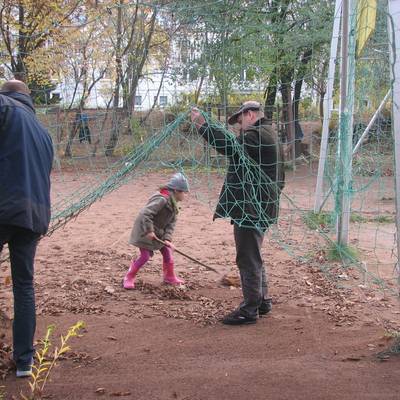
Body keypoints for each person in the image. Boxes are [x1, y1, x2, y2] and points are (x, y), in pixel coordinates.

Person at [191, 101, 285, 325]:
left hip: (252, 207)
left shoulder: (256, 135)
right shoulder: (268, 133)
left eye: (240, 121)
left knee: (248, 257)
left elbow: (231, 148)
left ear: (250, 114)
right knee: (254, 254)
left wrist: (203, 126)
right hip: (263, 204)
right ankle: (262, 301)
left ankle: (249, 309)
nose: (239, 127)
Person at [0, 80, 53, 376]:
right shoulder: (43, 132)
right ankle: (24, 361)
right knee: (24, 285)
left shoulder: (3, 107)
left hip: (4, 205)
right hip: (34, 216)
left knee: (23, 285)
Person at [123, 172, 189, 289]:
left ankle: (169, 276)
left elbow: (171, 223)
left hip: (158, 233)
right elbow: (145, 214)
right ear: (176, 191)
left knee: (167, 250)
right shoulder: (161, 199)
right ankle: (129, 276)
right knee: (145, 256)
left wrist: (167, 238)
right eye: (184, 192)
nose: (185, 195)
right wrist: (149, 230)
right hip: (144, 231)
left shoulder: (174, 204)